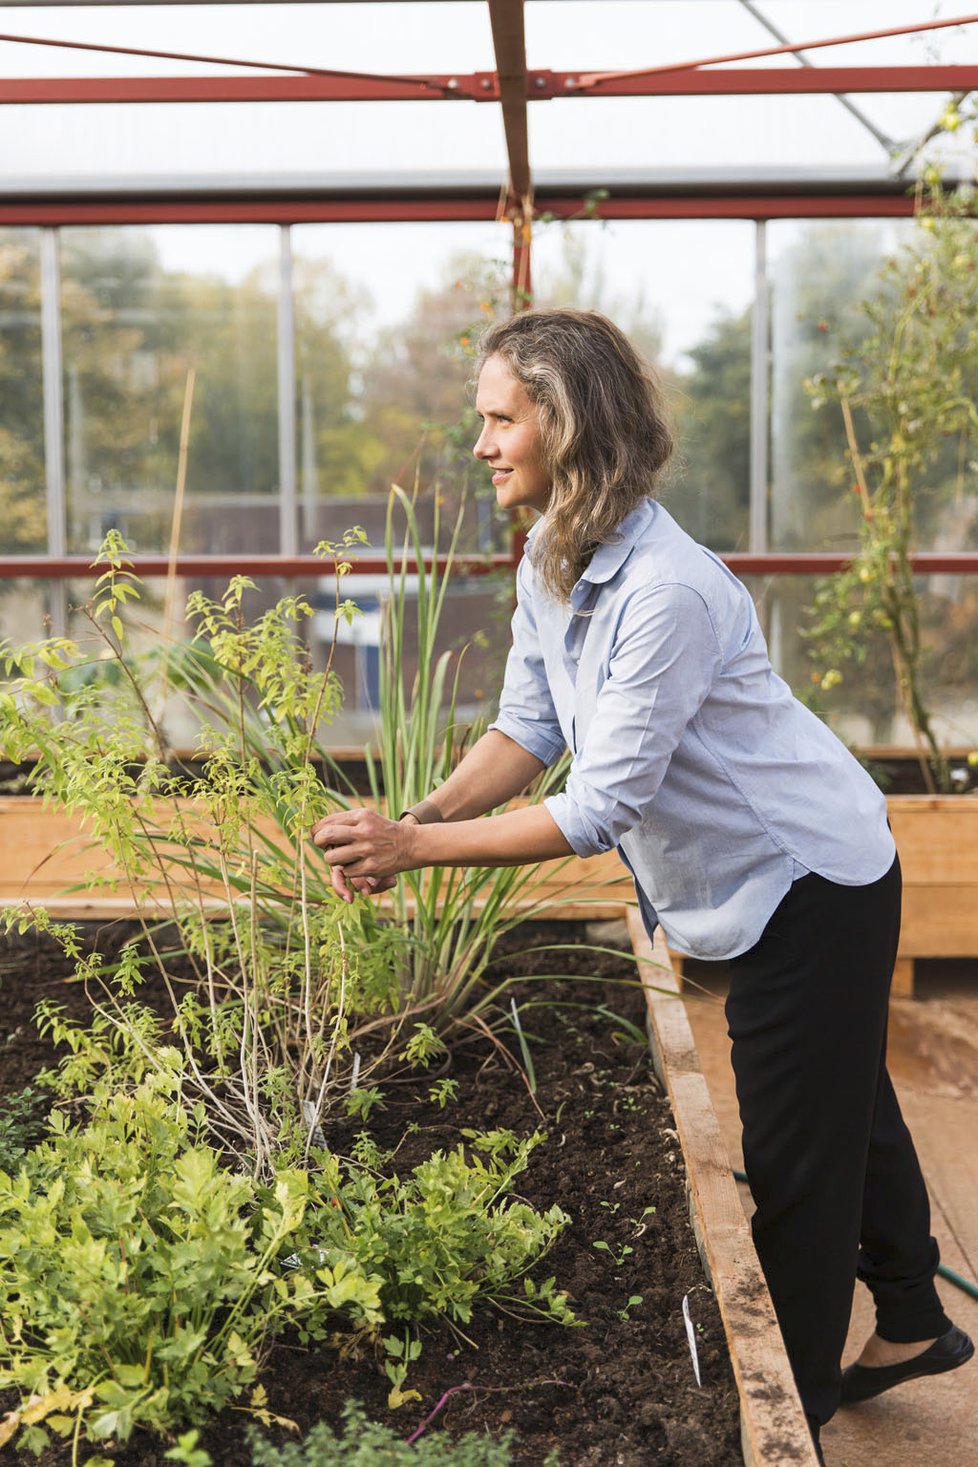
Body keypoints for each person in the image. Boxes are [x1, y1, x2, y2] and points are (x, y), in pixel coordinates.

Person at [311, 306, 973, 1462]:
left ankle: (794, 1412)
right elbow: (527, 728)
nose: (482, 444)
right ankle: (913, 1318)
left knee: (796, 1156)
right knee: (845, 1098)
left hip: (805, 879)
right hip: (763, 879)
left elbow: (597, 808)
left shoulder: (667, 590)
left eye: (498, 418)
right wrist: (417, 819)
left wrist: (412, 857)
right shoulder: (551, 559)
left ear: (563, 426)